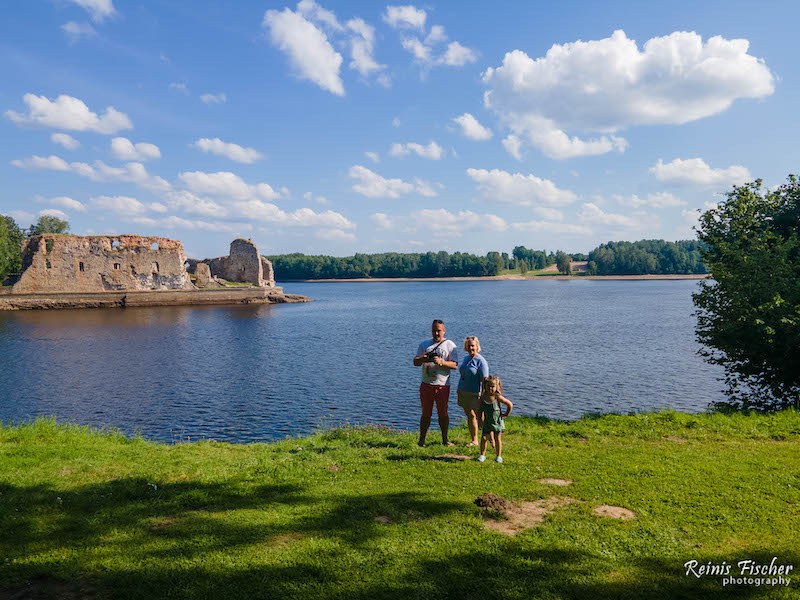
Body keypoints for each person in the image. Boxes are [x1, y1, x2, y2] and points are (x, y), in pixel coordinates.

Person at [413, 319, 459, 446]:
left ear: (444, 331)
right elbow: (415, 362)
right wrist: (424, 358)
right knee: (425, 414)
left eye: (439, 330)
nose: (436, 333)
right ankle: (421, 440)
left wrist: (441, 362)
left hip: (443, 385)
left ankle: (445, 439)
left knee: (443, 413)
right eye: (434, 331)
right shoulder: (424, 344)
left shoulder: (450, 345)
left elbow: (455, 365)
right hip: (426, 384)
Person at [457, 336, 489, 446]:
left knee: (479, 417)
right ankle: (475, 439)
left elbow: (485, 380)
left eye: (472, 345)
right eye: (468, 345)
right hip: (463, 391)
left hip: (475, 393)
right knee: (470, 415)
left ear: (477, 346)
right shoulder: (466, 358)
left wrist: (484, 396)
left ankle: (489, 436)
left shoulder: (481, 361)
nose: (471, 348)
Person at [477, 375, 513, 463]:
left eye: (492, 386)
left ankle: (498, 456)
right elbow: (480, 410)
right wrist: (480, 421)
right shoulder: (483, 397)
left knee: (497, 439)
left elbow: (510, 404)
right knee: (484, 438)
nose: (490, 388)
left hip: (497, 422)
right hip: (487, 422)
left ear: (496, 387)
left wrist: (506, 414)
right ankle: (482, 455)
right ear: (485, 386)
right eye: (488, 386)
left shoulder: (498, 397)